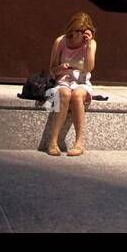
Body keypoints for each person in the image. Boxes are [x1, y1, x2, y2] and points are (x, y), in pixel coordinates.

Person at [47, 13, 97, 157]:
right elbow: (52, 69)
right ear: (71, 29)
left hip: (81, 82)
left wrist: (87, 46)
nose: (78, 34)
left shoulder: (91, 44)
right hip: (62, 81)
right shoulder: (60, 41)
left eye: (82, 31)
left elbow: (88, 68)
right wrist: (60, 68)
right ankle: (53, 142)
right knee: (64, 94)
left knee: (77, 95)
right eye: (76, 30)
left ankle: (79, 143)